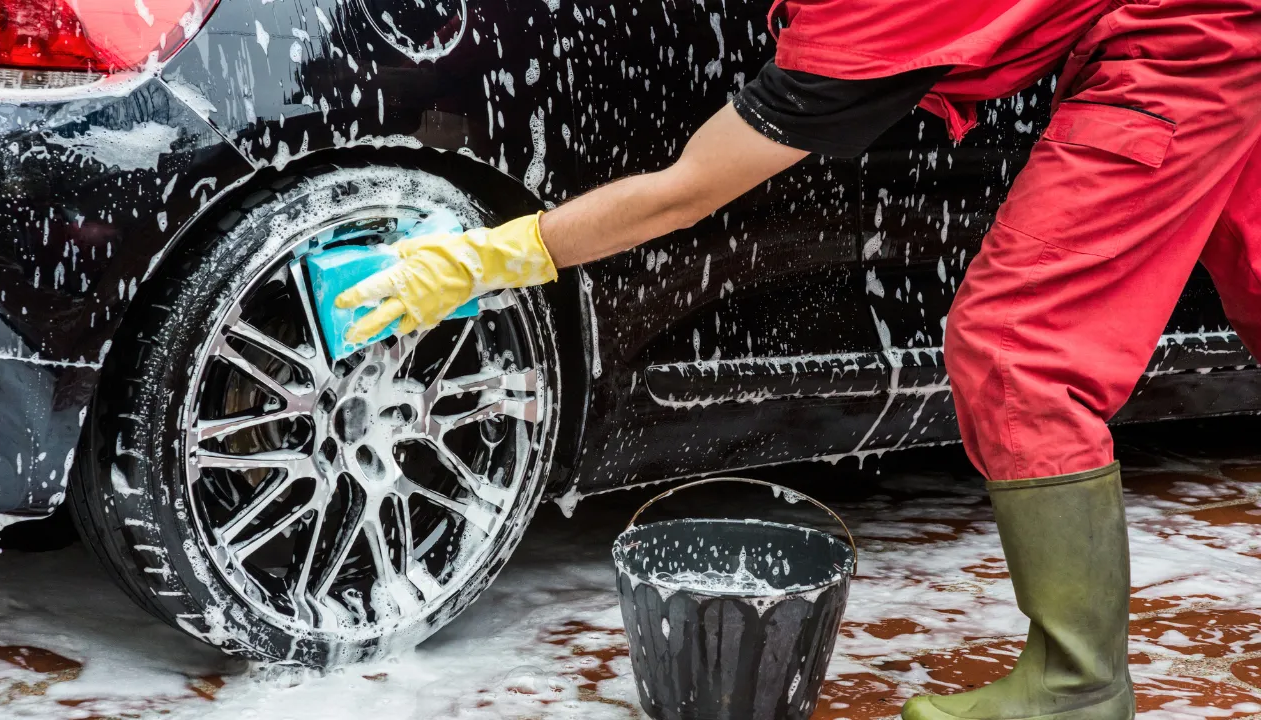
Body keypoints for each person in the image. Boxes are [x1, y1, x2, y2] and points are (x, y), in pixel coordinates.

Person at [335, 0, 1261, 717]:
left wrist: (490, 257)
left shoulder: (875, 18)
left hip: (1192, 44)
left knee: (1018, 345)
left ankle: (1079, 684)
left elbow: (683, 194)